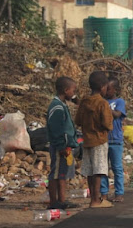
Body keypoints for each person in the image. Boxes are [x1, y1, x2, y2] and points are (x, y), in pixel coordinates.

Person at [75, 70, 114, 208]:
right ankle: (96, 200)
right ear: (103, 87)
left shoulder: (84, 102)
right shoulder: (103, 103)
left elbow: (78, 120)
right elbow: (107, 124)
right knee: (98, 171)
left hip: (87, 141)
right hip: (100, 141)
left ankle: (93, 198)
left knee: (90, 171)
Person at [45, 76, 79, 210]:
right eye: (72, 90)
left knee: (62, 173)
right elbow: (56, 128)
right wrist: (61, 145)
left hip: (65, 146)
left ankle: (62, 200)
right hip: (60, 146)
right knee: (55, 173)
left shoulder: (62, 104)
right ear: (66, 90)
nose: (74, 93)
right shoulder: (57, 107)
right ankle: (54, 202)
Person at [100, 76, 126, 203]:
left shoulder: (120, 102)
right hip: (103, 140)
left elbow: (117, 114)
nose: (106, 91)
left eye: (108, 89)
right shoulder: (102, 101)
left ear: (115, 89)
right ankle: (104, 192)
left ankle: (119, 193)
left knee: (117, 168)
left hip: (116, 140)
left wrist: (105, 107)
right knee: (103, 168)